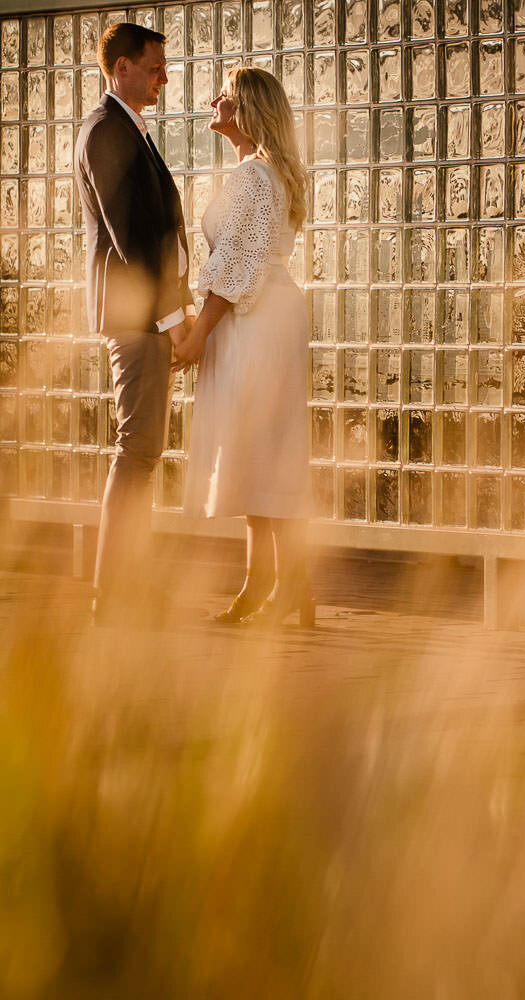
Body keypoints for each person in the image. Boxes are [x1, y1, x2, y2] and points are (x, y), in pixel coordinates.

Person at [172, 66, 313, 627]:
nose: (215, 103)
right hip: (271, 315)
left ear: (249, 112)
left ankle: (272, 584)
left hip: (254, 322)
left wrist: (197, 335)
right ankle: (281, 583)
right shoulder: (268, 173)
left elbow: (234, 267)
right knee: (267, 446)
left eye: (226, 99)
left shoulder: (255, 178)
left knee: (258, 444)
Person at [74, 22, 194, 625]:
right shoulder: (104, 131)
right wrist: (173, 317)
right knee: (136, 451)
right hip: (137, 315)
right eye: (154, 67)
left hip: (150, 313)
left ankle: (127, 589)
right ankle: (113, 595)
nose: (163, 77)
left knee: (142, 452)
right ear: (120, 68)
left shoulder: (129, 129)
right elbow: (131, 240)